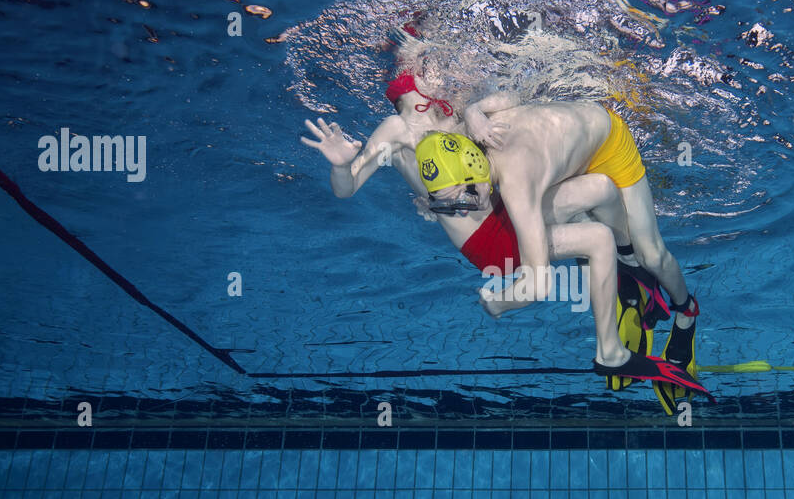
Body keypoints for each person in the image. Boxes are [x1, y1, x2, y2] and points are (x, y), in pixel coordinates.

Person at [300, 74, 705, 396]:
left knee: (599, 191)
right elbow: (348, 188)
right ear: (414, 90)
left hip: (508, 206)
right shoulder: (396, 128)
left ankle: (628, 273)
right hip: (492, 240)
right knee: (593, 237)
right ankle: (616, 330)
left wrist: (475, 109)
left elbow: (510, 101)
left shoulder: (456, 108)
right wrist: (341, 165)